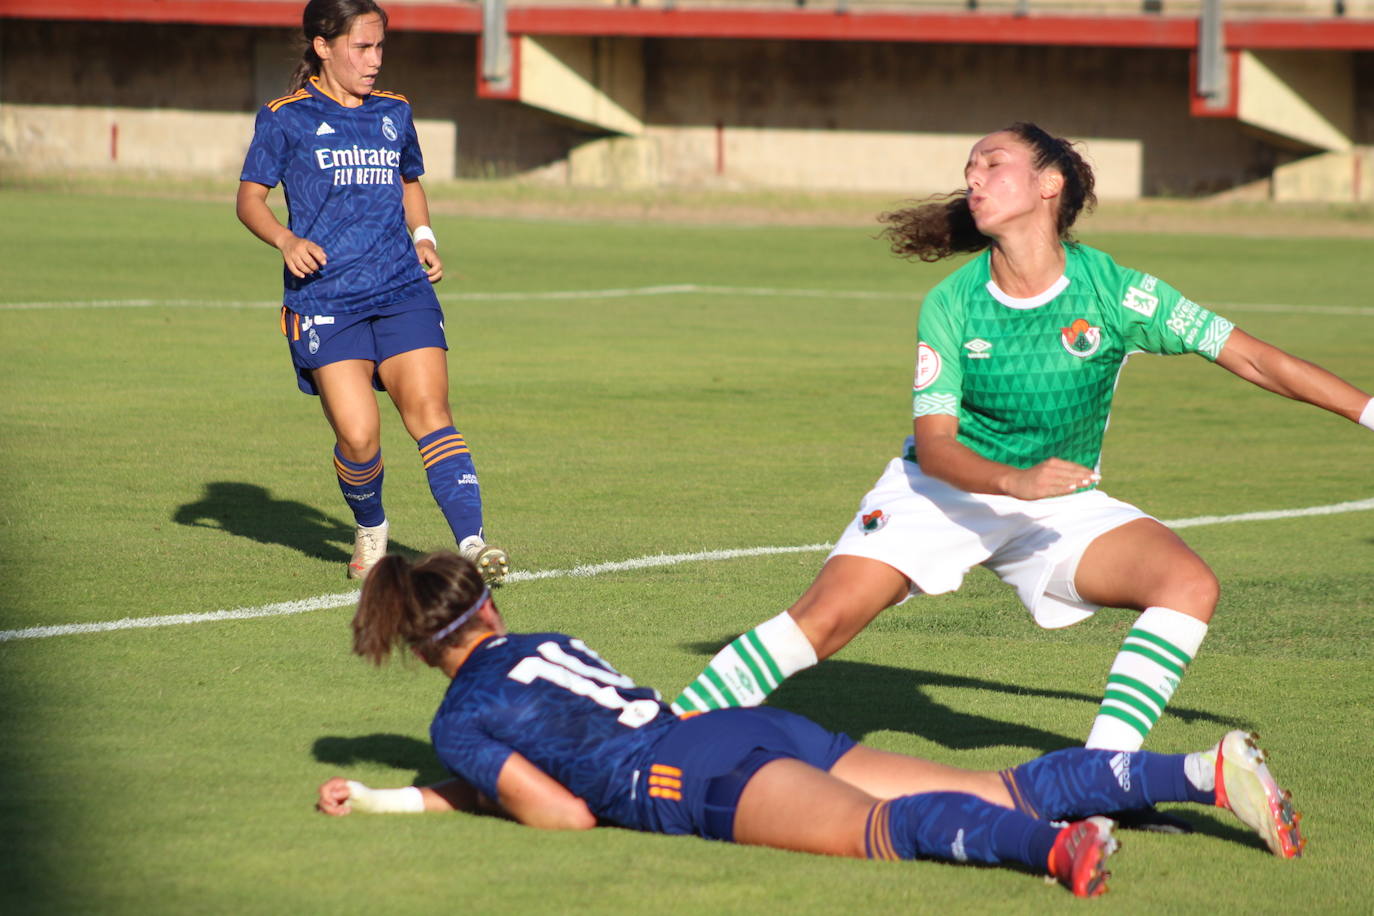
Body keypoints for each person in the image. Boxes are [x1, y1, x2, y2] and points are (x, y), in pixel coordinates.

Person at [672, 122, 1373, 757]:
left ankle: (1097, 775)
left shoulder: (1117, 292)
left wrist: (1368, 412)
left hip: (1058, 502)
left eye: (992, 164)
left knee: (1187, 584)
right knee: (822, 622)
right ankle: (660, 737)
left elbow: (1251, 356)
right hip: (942, 491)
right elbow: (937, 445)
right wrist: (1014, 482)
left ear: (1048, 183)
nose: (973, 178)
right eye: (969, 168)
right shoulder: (953, 301)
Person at [315, 552, 1303, 898]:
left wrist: (446, 792)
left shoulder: (460, 716)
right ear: (485, 607)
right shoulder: (546, 641)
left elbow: (563, 815)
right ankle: (1198, 771)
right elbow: (537, 760)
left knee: (875, 836)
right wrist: (387, 799)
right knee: (994, 784)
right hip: (745, 731)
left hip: (692, 785)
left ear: (413, 639)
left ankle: (1051, 855)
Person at [235, 0, 508, 584]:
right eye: (362, 47)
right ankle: (371, 529)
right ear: (322, 46)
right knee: (359, 438)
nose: (375, 60)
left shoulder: (394, 112)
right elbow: (249, 199)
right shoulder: (285, 117)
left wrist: (425, 236)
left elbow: (409, 180)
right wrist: (285, 240)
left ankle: (473, 542)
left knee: (431, 413)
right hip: (326, 300)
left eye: (380, 46)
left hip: (400, 288)